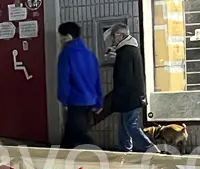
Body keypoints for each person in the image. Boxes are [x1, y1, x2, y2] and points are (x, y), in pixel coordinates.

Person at [107, 23, 158, 153]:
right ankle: (124, 149)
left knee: (130, 125)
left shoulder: (125, 52)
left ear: (120, 35)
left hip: (129, 96)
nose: (112, 39)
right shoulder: (130, 49)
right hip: (133, 95)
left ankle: (151, 149)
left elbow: (123, 77)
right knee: (125, 125)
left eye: (113, 36)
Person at [56, 22, 103, 149]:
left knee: (79, 134)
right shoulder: (90, 54)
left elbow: (63, 79)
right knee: (70, 136)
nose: (60, 39)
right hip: (90, 100)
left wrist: (63, 99)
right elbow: (97, 79)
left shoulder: (66, 54)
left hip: (75, 101)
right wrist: (99, 101)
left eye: (62, 36)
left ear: (68, 36)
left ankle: (100, 156)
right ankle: (62, 160)